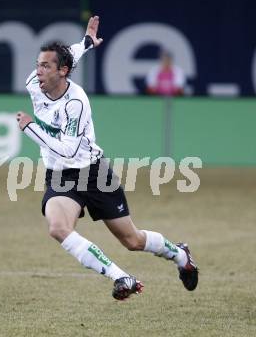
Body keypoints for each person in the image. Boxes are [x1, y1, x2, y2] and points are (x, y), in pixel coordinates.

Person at [16, 16, 198, 300]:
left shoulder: (75, 102)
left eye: (45, 66)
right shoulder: (34, 82)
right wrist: (86, 43)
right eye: (38, 64)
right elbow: (71, 56)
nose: (37, 71)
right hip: (60, 176)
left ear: (62, 72)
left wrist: (30, 127)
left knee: (132, 240)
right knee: (58, 227)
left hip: (93, 173)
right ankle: (121, 277)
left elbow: (68, 150)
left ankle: (180, 255)